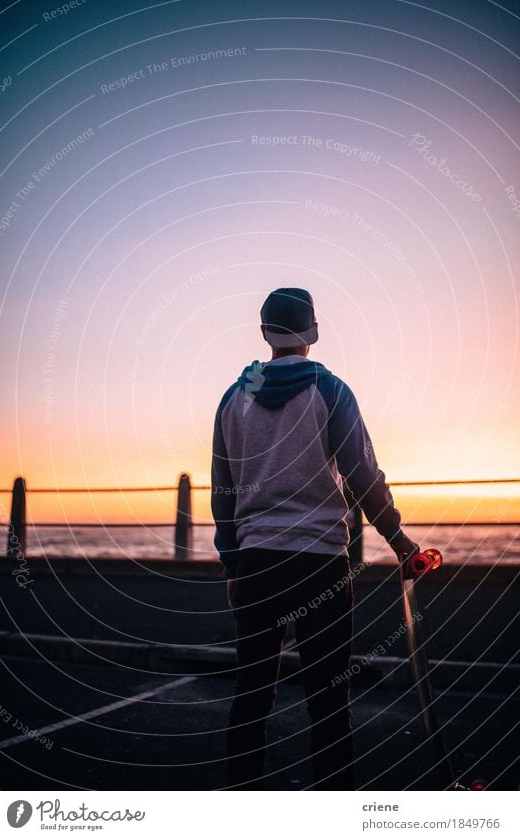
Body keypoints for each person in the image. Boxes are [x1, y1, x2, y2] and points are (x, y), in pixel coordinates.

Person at [211, 287, 419, 790]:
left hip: (258, 561)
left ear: (264, 333)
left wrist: (233, 565)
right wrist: (400, 541)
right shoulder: (331, 390)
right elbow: (363, 476)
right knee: (329, 702)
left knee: (252, 694)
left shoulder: (235, 397)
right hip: (320, 562)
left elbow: (223, 490)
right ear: (314, 332)